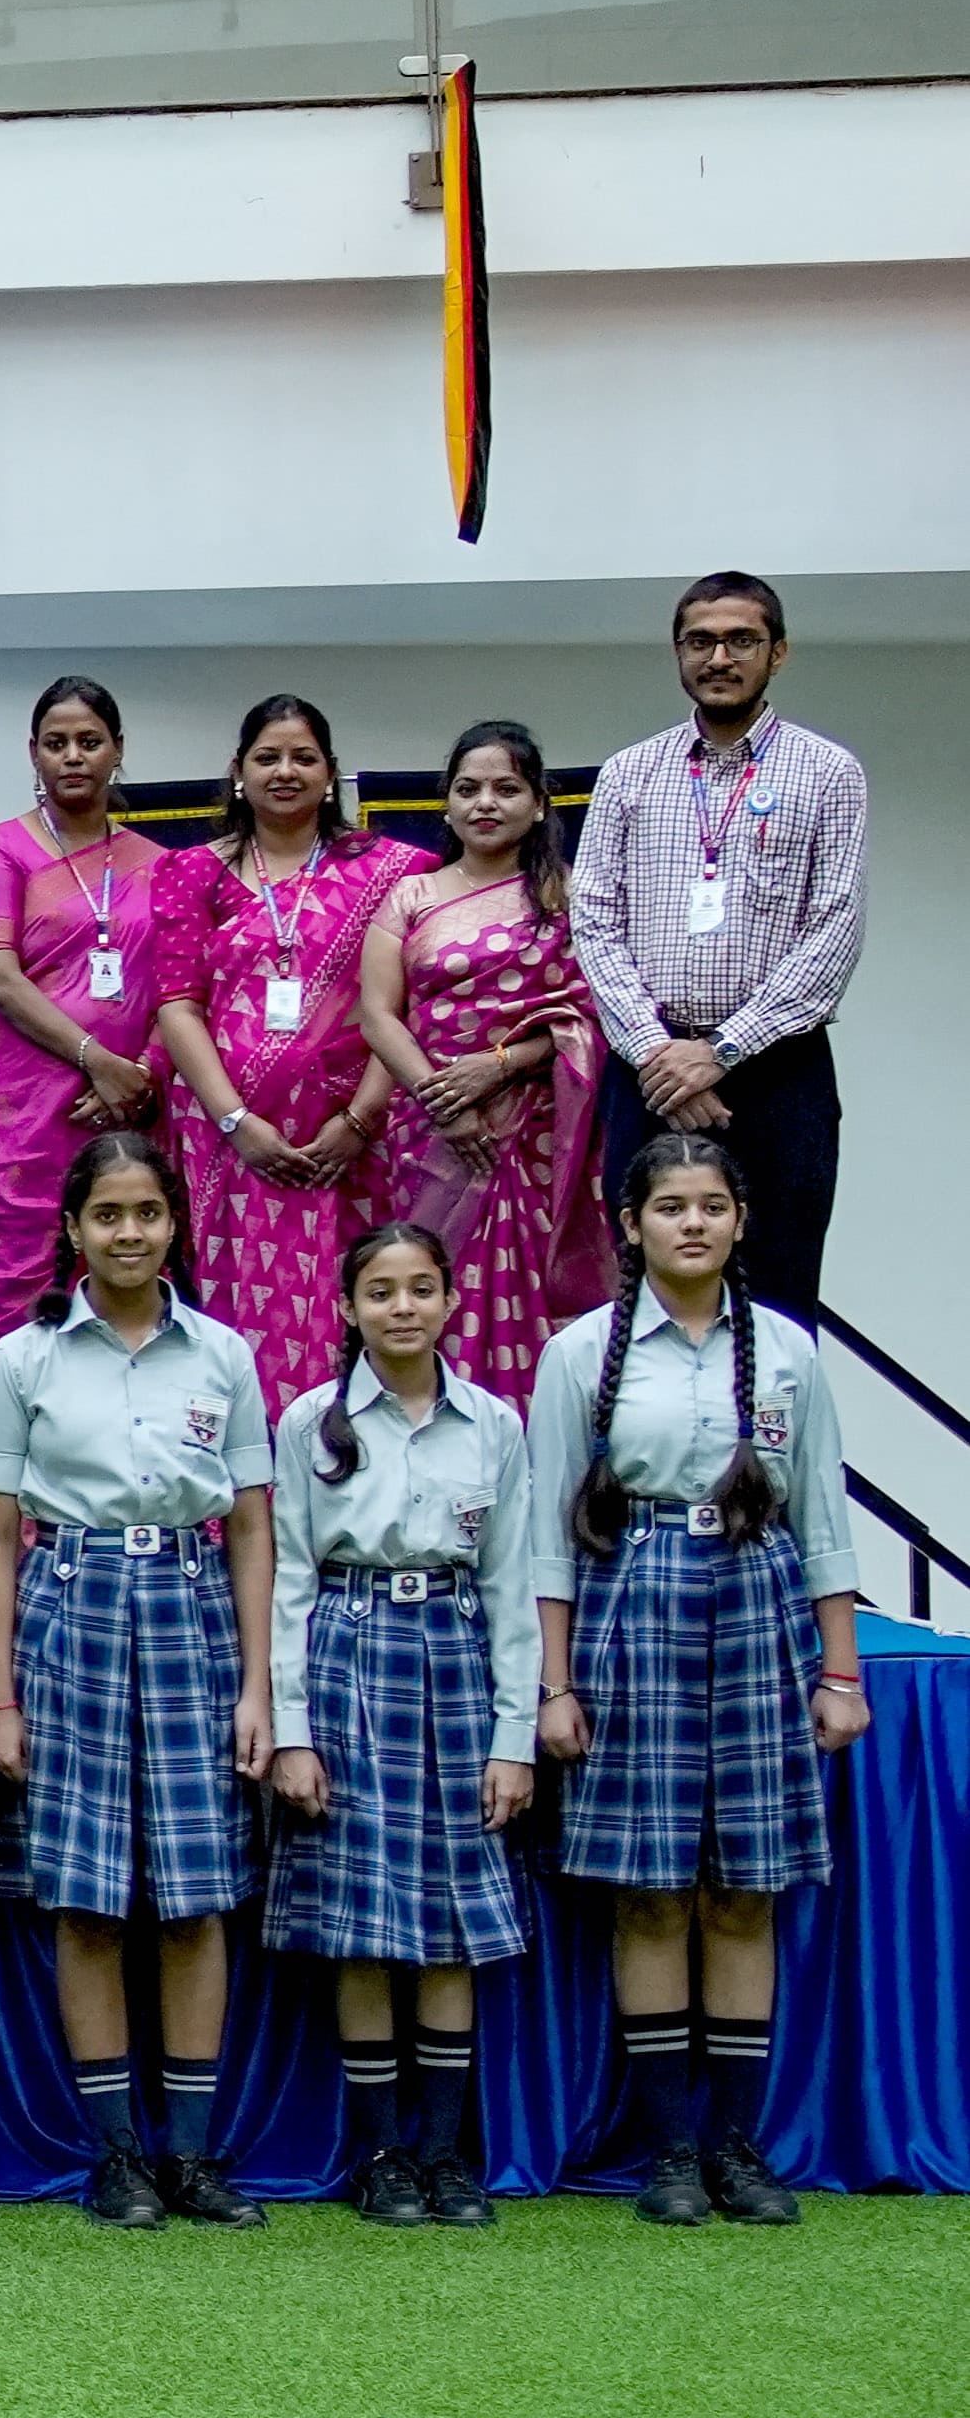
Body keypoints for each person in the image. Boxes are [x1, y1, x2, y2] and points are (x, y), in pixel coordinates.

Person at [534, 1135, 873, 2227]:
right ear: (629, 1224)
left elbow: (822, 1517)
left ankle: (734, 2141)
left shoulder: (788, 1352)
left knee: (742, 1888)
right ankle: (669, 2148)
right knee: (649, 1888)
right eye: (670, 1205)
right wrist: (553, 1683)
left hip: (757, 1608)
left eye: (711, 1204)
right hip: (632, 1610)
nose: (692, 1222)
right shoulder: (578, 1353)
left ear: (739, 1219)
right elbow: (547, 1534)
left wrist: (839, 1672)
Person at [0, 1130, 279, 2229]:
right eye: (106, 1215)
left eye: (147, 1212)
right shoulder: (22, 1360)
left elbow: (252, 1526)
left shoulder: (223, 1354)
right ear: (71, 1229)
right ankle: (115, 2155)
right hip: (71, 1613)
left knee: (195, 1893)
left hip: (192, 1611)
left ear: (173, 1224)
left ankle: (189, 2154)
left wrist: (257, 1686)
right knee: (85, 1893)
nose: (128, 1233)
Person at [260, 1220, 541, 2229]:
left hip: (454, 1659)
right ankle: (381, 2154)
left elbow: (511, 1585)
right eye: (379, 1291)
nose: (402, 1307)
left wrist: (513, 1736)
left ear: (450, 1301)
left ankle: (442, 2152)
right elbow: (288, 1577)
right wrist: (291, 1728)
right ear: (347, 1307)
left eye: (421, 1287)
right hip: (347, 1657)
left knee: (450, 1921)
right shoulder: (311, 1421)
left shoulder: (491, 1422)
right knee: (363, 1923)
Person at [572, 573, 865, 1314]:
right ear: (678, 652)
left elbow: (833, 931)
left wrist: (720, 1051)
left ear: (778, 653)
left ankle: (764, 1405)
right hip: (649, 1074)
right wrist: (657, 1052)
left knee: (778, 1292)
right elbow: (594, 922)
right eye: (700, 641)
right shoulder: (629, 773)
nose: (720, 658)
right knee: (643, 1292)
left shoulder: (828, 772)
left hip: (777, 1073)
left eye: (741, 640)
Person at [155, 696, 430, 1404]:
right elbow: (177, 1006)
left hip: (356, 1143)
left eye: (303, 757)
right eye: (267, 757)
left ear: (331, 773)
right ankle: (254, 1457)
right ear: (237, 771)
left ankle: (351, 1447)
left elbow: (402, 1007)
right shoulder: (191, 872)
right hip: (230, 1145)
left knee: (361, 1293)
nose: (285, 771)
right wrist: (235, 1122)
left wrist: (361, 1119)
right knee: (238, 1319)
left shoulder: (396, 871)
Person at [363, 722, 609, 1401]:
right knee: (426, 1283)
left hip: (534, 1133)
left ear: (539, 803)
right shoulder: (412, 896)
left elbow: (590, 1018)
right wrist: (441, 1100)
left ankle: (537, 1437)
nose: (485, 804)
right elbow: (377, 1014)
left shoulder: (568, 898)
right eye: (468, 789)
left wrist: (497, 1065)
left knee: (533, 1294)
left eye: (506, 788)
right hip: (428, 1134)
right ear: (446, 804)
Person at [0, 681, 173, 1357]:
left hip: (127, 1104)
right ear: (34, 753)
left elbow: (179, 987)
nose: (72, 756)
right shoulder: (3, 850)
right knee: (14, 1277)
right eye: (56, 743)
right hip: (21, 1109)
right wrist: (96, 1061)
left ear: (117, 749)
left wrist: (138, 1074)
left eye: (88, 741)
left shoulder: (158, 863)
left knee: (124, 1255)